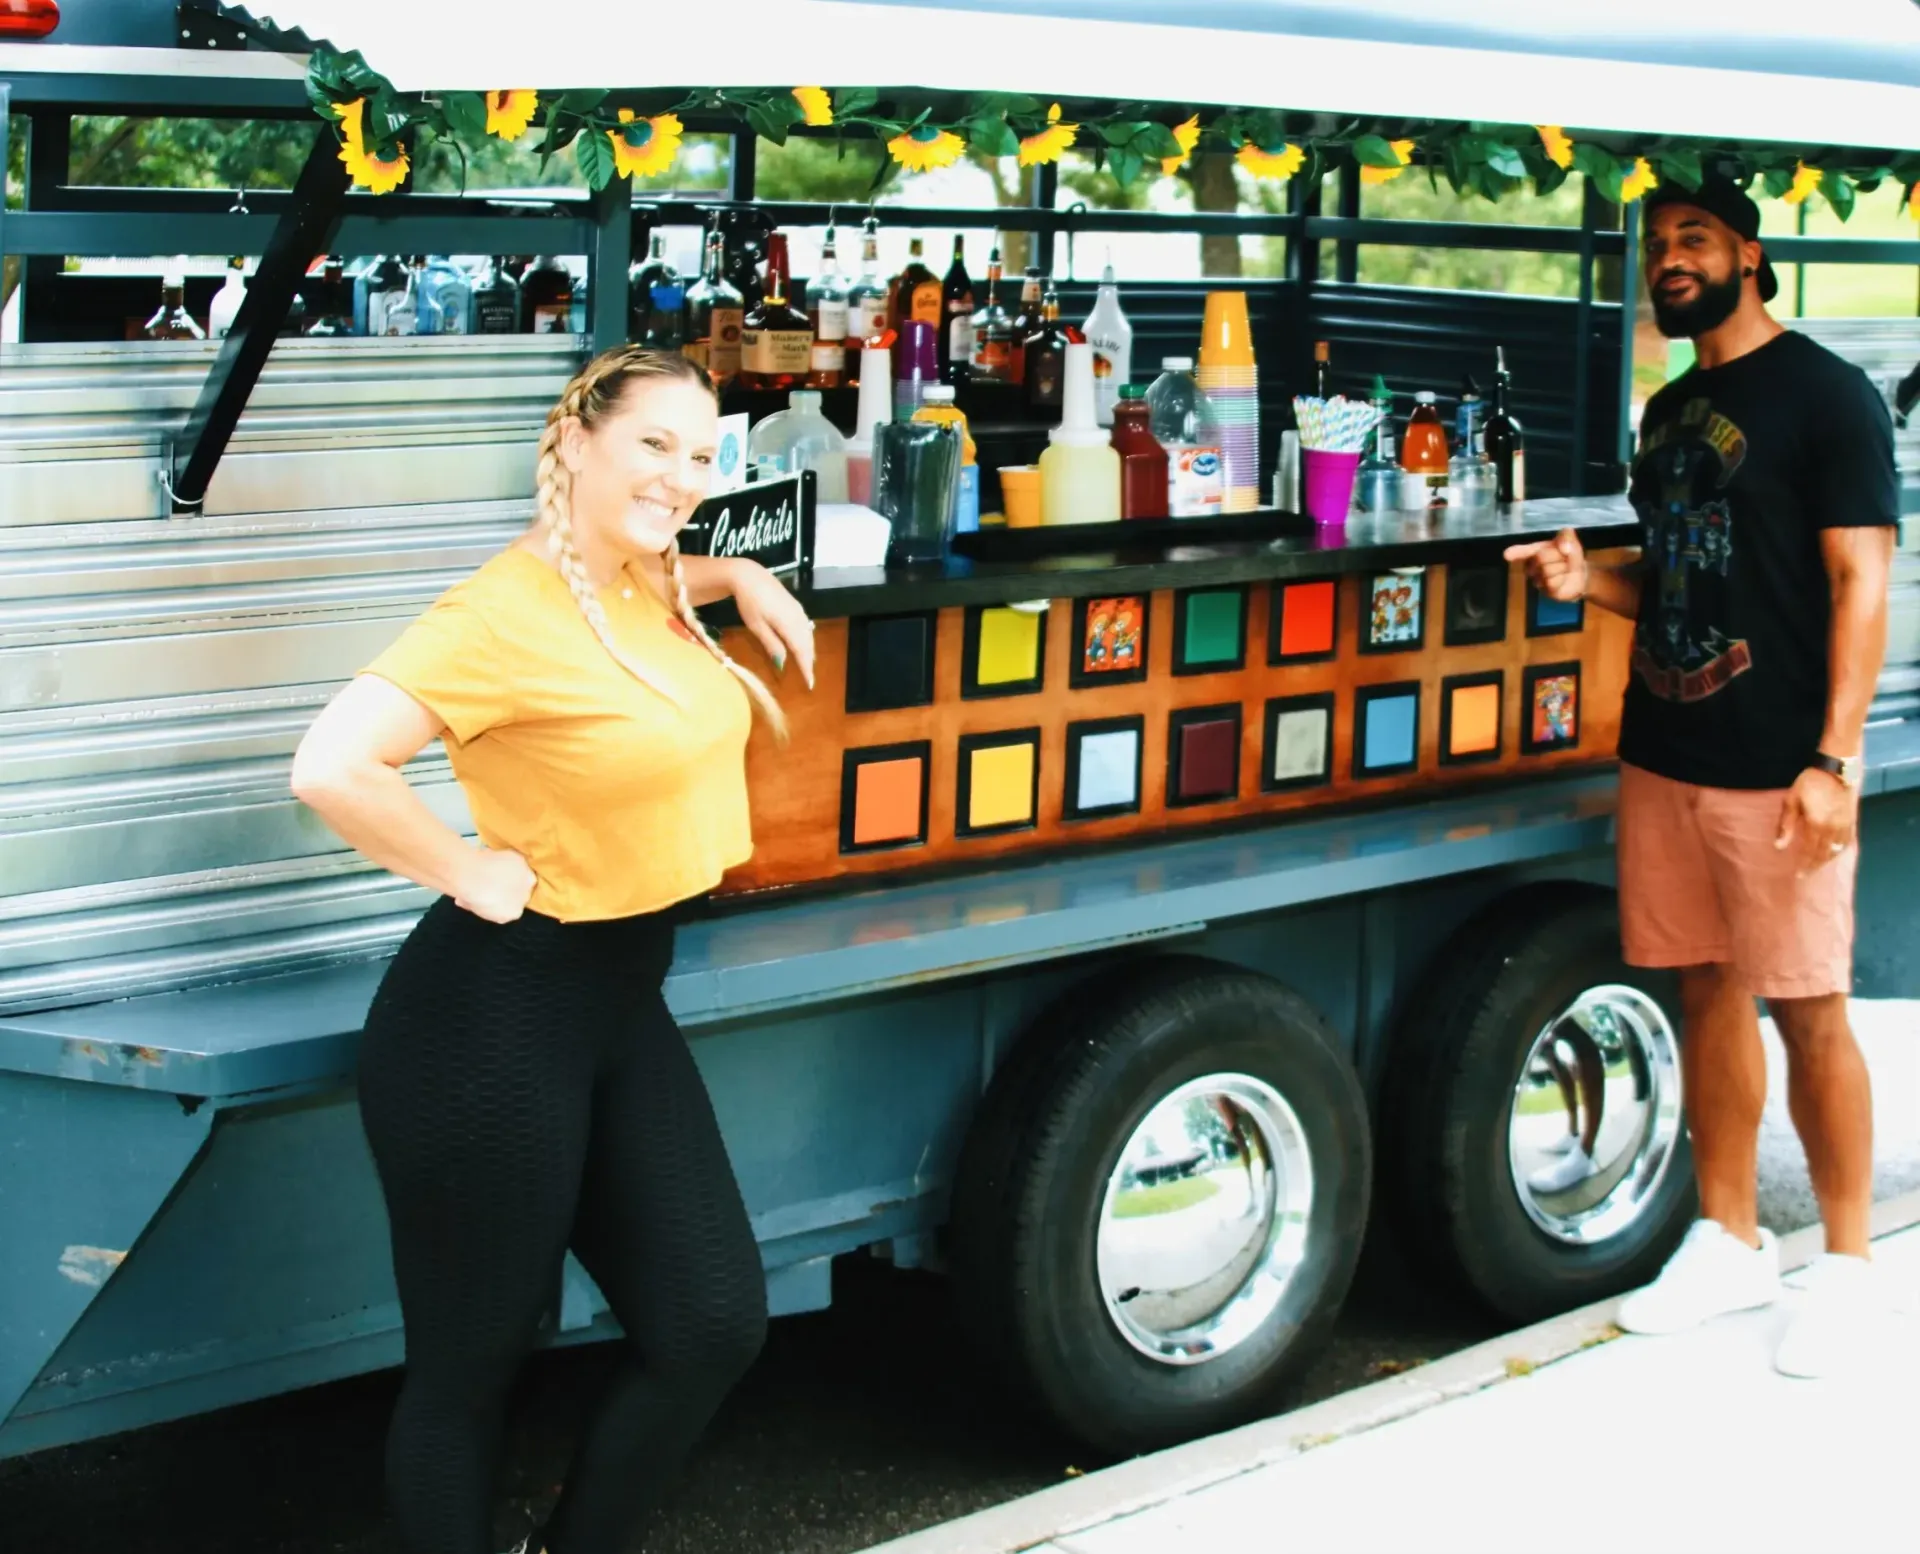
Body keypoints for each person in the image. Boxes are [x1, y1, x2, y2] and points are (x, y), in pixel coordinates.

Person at [291, 347, 817, 1554]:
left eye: (702, 456)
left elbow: (663, 561)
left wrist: (738, 572)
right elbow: (331, 764)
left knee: (710, 1324)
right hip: (489, 1023)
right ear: (575, 439)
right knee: (471, 1372)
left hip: (618, 1002)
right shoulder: (496, 614)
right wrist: (469, 869)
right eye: (654, 446)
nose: (682, 477)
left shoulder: (642, 576)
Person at [1507, 176, 1898, 1378]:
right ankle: (1729, 1239)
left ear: (1751, 253)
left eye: (1695, 240)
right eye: (1656, 245)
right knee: (1707, 995)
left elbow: (1860, 585)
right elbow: (1676, 573)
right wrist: (1591, 580)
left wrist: (1834, 758)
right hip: (1665, 751)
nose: (1669, 260)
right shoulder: (1672, 408)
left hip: (1780, 769)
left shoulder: (1829, 397)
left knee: (1809, 1008)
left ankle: (1845, 1269)